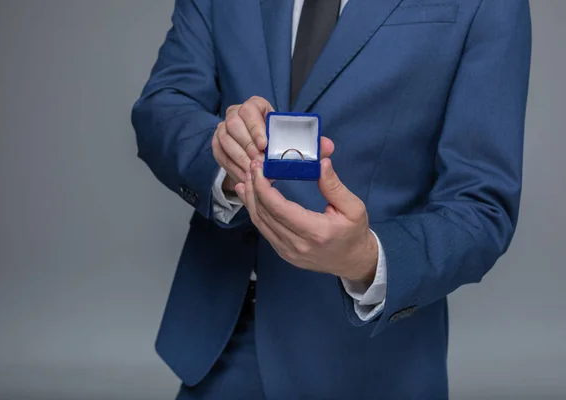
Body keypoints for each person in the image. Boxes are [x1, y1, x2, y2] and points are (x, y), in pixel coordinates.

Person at [131, 0, 532, 398]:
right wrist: (224, 153)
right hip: (223, 344)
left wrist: (367, 259)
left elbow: (481, 205)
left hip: (371, 361)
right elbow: (164, 104)